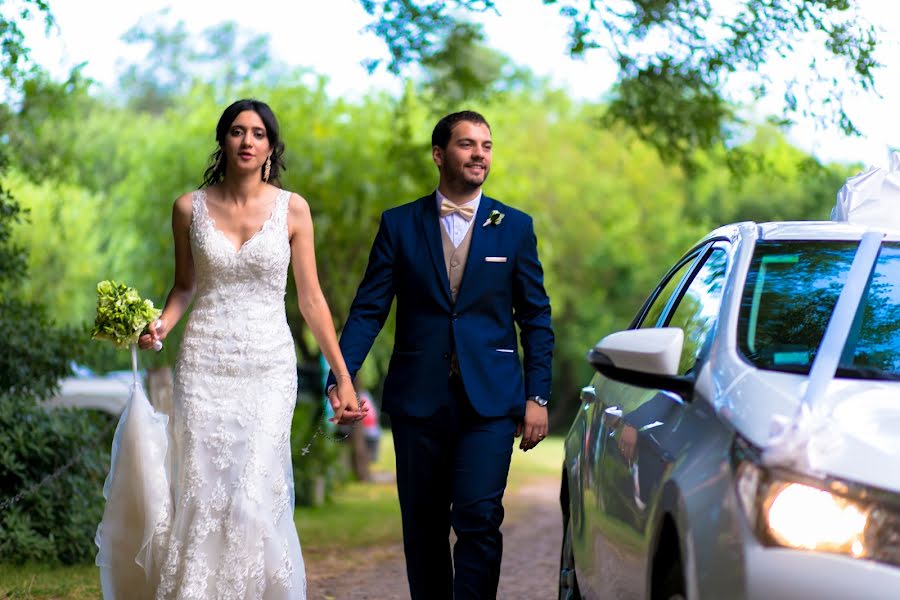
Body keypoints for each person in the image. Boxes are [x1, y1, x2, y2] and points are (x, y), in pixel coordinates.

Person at [101, 98, 365, 599]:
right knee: (203, 493)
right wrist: (159, 326)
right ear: (223, 141)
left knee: (253, 493)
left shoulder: (294, 209)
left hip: (268, 365)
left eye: (258, 133)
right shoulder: (188, 208)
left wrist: (343, 377)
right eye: (238, 131)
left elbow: (310, 300)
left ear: (270, 146)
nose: (248, 140)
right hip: (204, 363)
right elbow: (183, 288)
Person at [327, 110, 554, 599]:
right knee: (423, 526)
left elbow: (535, 318)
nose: (479, 154)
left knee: (479, 517)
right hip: (418, 399)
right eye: (467, 144)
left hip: (491, 401)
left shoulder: (514, 227)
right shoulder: (399, 224)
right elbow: (369, 311)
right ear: (439, 154)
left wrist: (537, 395)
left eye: (487, 146)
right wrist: (340, 377)